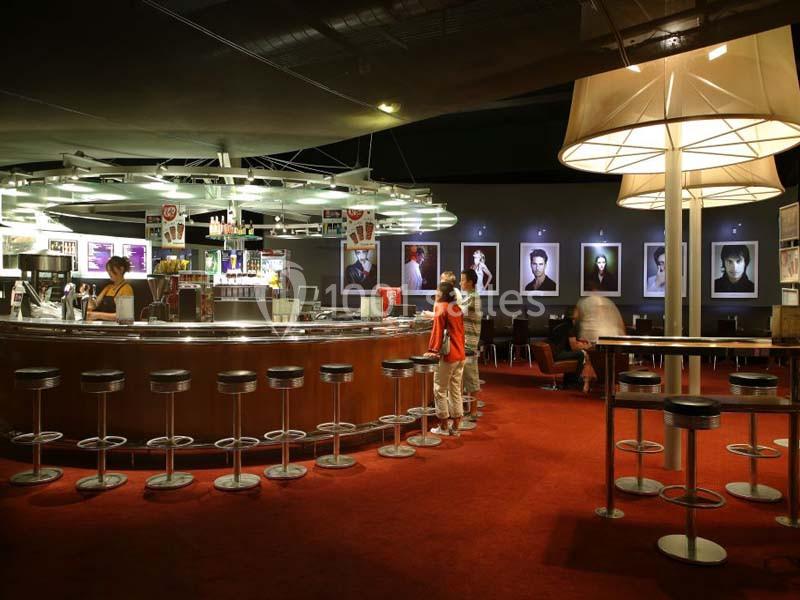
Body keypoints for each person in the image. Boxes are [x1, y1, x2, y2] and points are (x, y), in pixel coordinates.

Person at [425, 281, 466, 436]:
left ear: (441, 294)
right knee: (455, 390)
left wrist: (432, 350)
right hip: (460, 354)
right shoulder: (456, 308)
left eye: (437, 291)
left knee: (439, 389)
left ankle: (443, 427)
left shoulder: (441, 307)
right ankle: (456, 426)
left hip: (449, 355)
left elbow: (437, 330)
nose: (435, 294)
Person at [460, 269, 482, 421]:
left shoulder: (473, 298)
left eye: (462, 280)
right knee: (467, 376)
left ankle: (473, 412)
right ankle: (469, 410)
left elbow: (456, 312)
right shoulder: (469, 296)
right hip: (466, 342)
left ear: (470, 282)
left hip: (469, 343)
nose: (460, 282)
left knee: (471, 377)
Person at [87, 256, 134, 321]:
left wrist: (97, 315)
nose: (109, 273)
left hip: (116, 327)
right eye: (108, 270)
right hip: (105, 326)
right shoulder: (108, 287)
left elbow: (124, 316)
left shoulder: (126, 289)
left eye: (111, 270)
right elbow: (94, 305)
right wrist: (86, 292)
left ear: (121, 269)